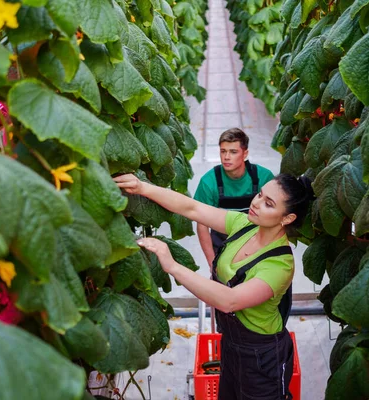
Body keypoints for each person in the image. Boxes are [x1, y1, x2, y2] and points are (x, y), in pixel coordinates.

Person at [114, 172, 314, 400]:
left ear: (287, 219)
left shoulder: (280, 264)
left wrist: (172, 266)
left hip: (262, 356)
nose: (256, 203)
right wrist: (142, 187)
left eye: (268, 204)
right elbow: (192, 209)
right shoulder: (245, 225)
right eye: (260, 194)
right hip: (230, 343)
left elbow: (230, 300)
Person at [194, 128, 275, 269]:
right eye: (223, 151)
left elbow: (277, 217)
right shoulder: (209, 181)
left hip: (259, 248)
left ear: (245, 154)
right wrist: (213, 263)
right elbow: (202, 225)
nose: (226, 157)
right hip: (224, 251)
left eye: (233, 152)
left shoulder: (264, 177)